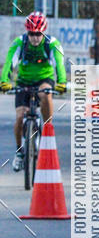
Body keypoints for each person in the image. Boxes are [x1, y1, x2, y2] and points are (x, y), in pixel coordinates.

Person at [0, 12, 67, 171]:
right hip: (24, 81)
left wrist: (62, 82)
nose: (35, 38)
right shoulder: (19, 43)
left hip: (44, 79)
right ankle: (19, 152)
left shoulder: (51, 44)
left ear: (43, 32)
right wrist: (4, 81)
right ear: (27, 32)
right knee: (19, 117)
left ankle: (47, 128)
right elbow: (9, 62)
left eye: (38, 34)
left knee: (45, 93)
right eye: (31, 34)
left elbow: (59, 64)